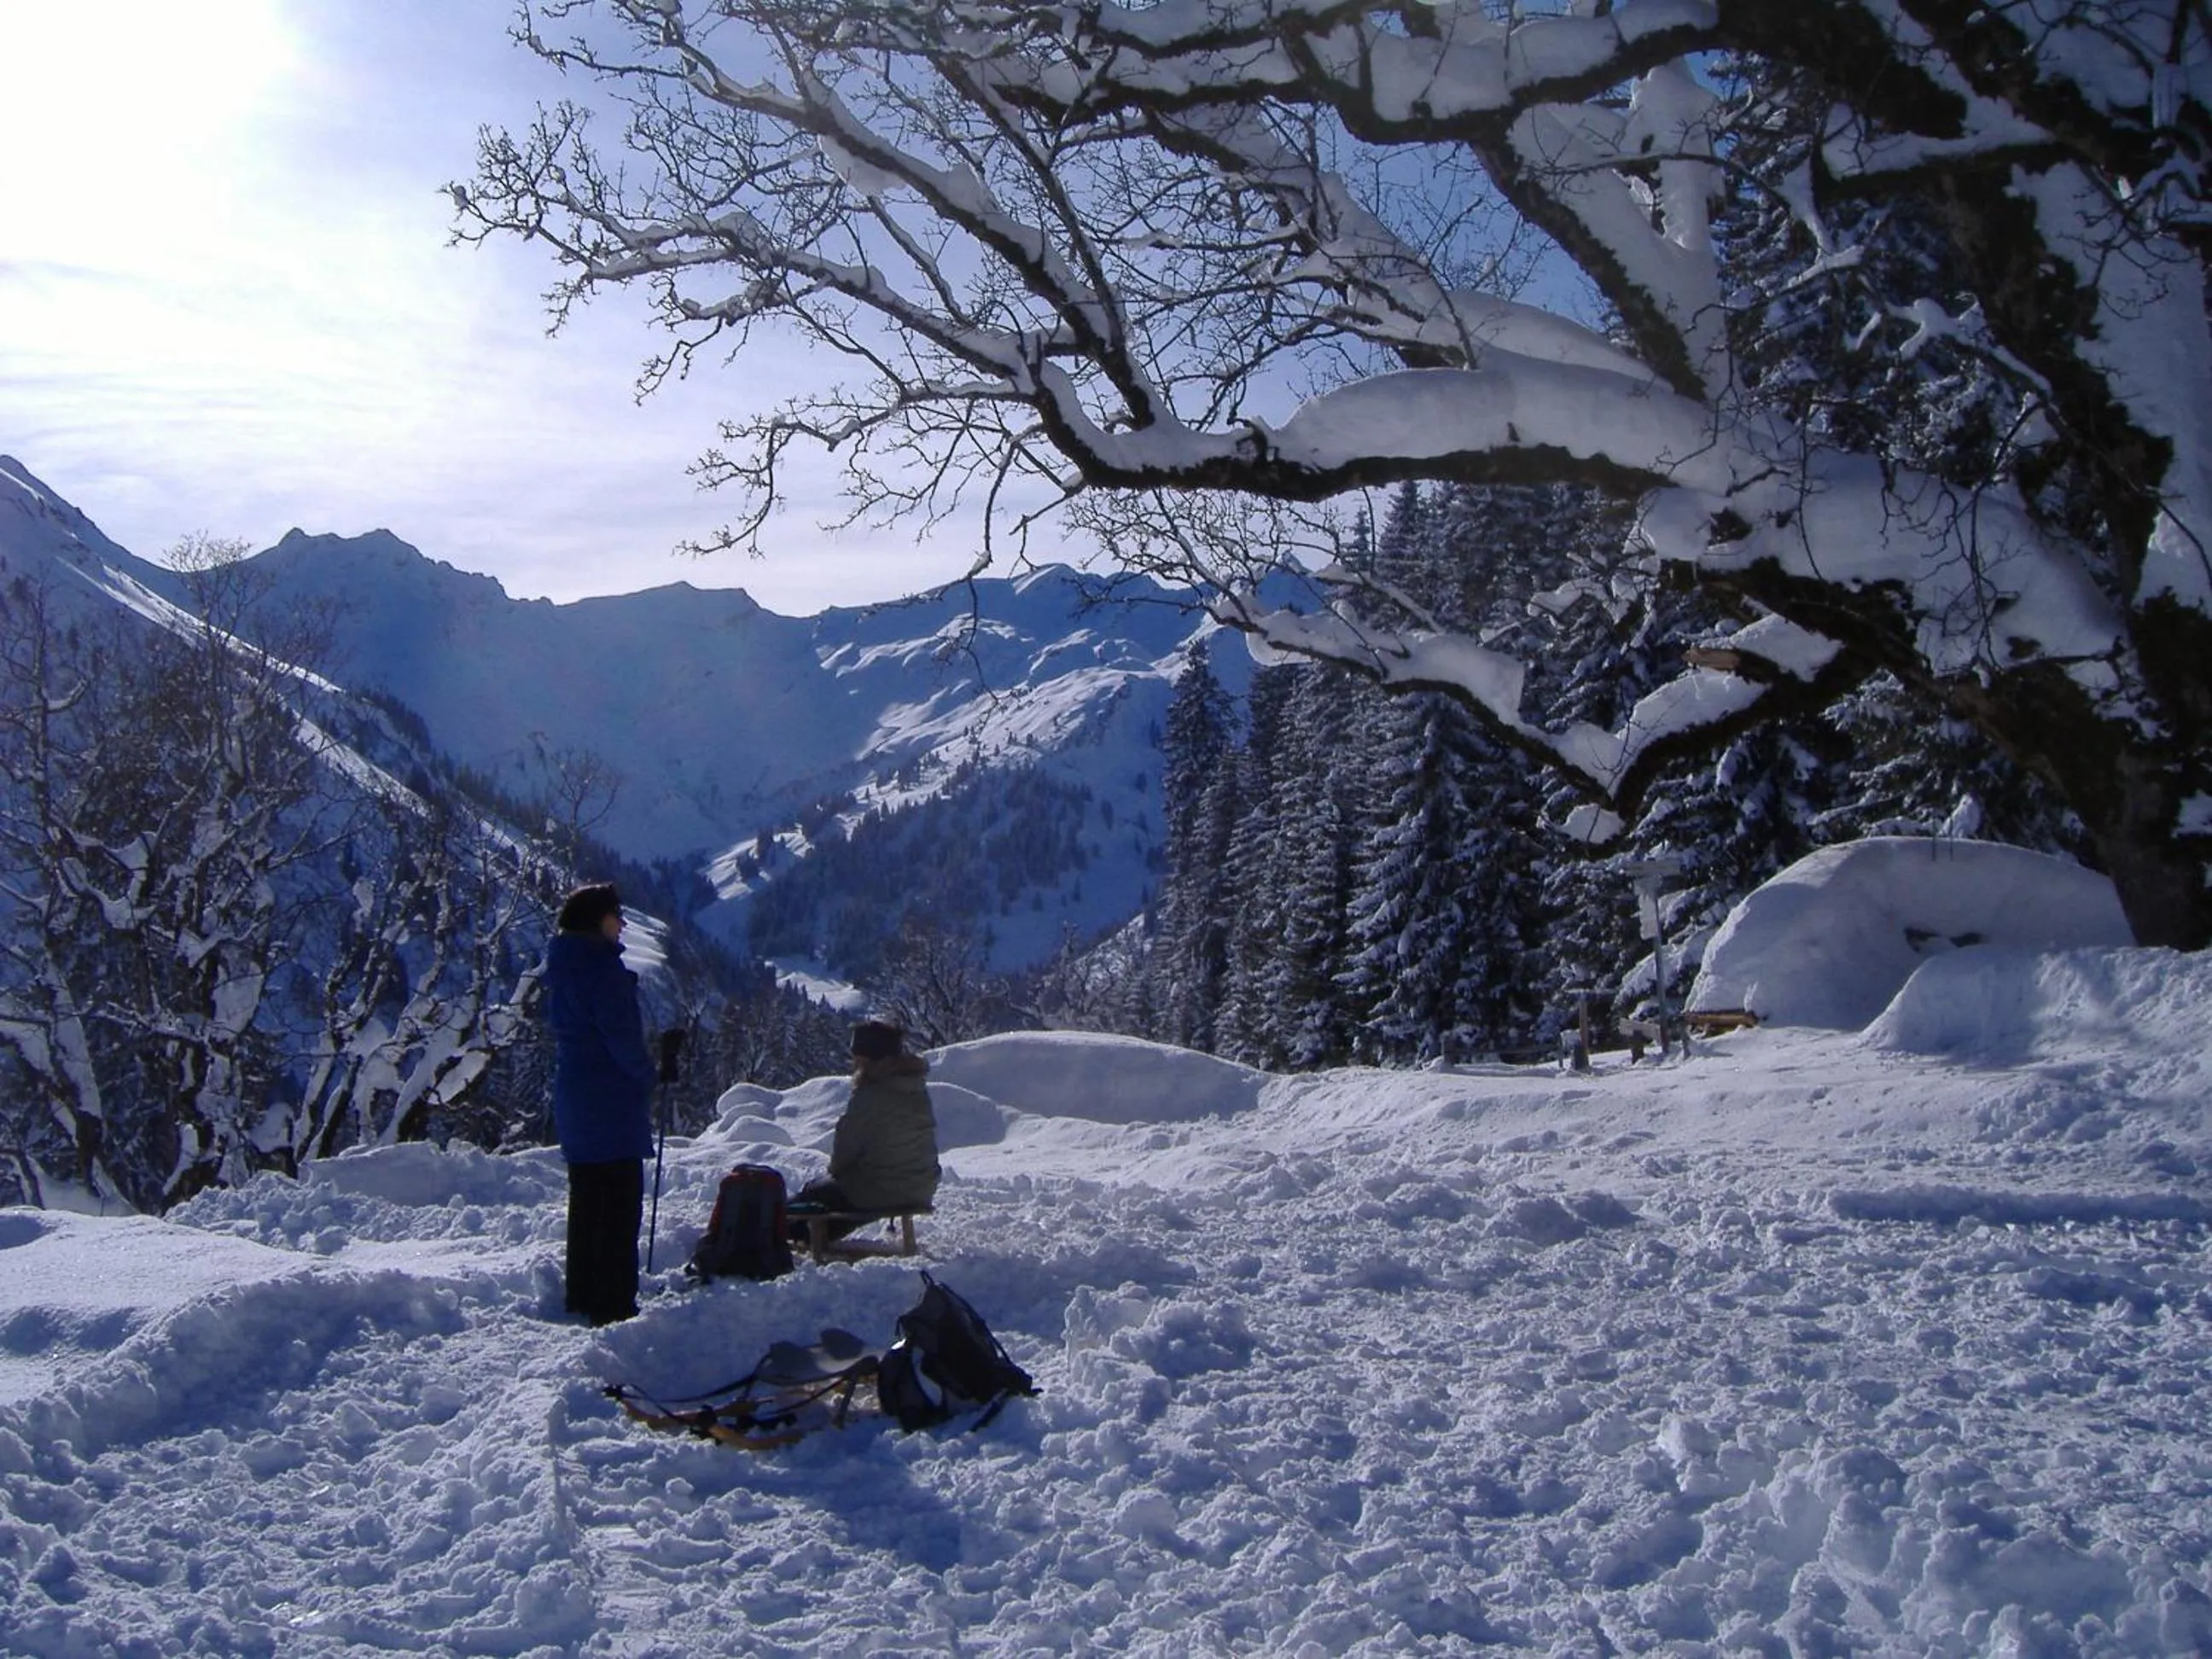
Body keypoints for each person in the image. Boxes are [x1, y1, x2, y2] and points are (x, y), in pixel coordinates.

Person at [544, 882, 656, 1325]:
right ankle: (614, 1302)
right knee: (619, 1203)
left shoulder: (564, 966)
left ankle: (585, 1290)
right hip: (610, 1100)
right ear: (598, 920)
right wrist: (647, 1075)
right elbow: (623, 1041)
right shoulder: (604, 973)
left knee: (588, 1199)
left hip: (576, 1095)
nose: (622, 924)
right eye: (616, 916)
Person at [789, 1021, 941, 1240]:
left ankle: (789, 1233)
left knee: (814, 1194)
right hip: (923, 1185)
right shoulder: (914, 1086)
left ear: (866, 1057)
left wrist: (838, 1173)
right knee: (833, 1193)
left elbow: (844, 1151)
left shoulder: (870, 1093)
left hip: (884, 1188)